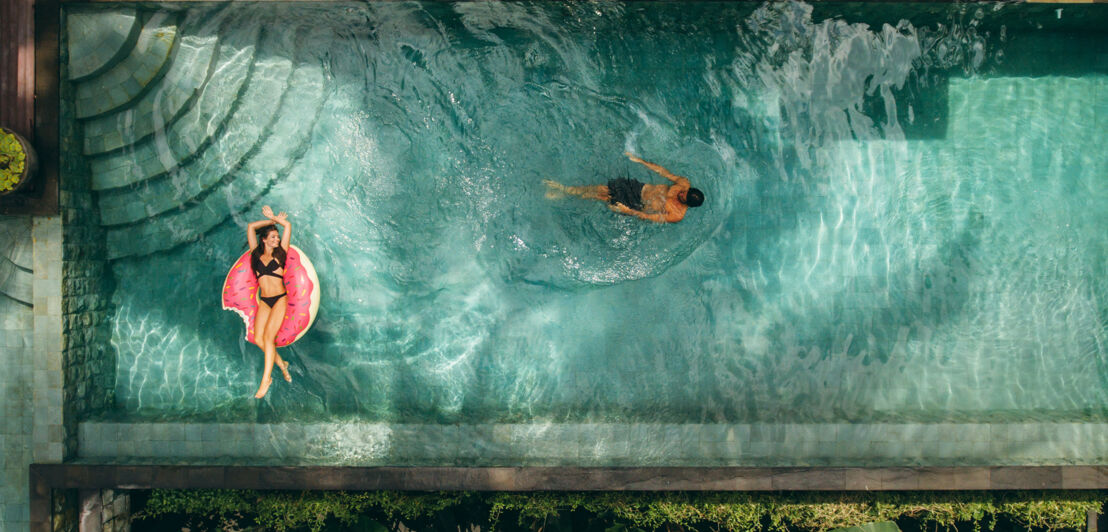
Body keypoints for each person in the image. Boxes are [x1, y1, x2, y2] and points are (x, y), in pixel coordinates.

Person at [543, 152, 704, 223]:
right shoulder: (683, 184)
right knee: (602, 188)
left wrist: (628, 211)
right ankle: (565, 189)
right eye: (684, 191)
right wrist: (640, 161)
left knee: (602, 197)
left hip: (637, 204)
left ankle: (565, 193)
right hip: (640, 188)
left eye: (683, 196)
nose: (681, 193)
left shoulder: (677, 215)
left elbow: (649, 217)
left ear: (686, 203)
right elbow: (663, 171)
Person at [246, 205, 294, 398]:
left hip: (280, 299)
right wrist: (270, 222)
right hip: (265, 300)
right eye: (273, 237)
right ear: (264, 240)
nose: (277, 239)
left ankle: (266, 380)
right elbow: (251, 227)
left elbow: (288, 225)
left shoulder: (281, 252)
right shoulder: (255, 255)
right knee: (258, 339)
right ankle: (282, 364)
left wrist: (275, 217)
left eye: (277, 236)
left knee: (268, 338)